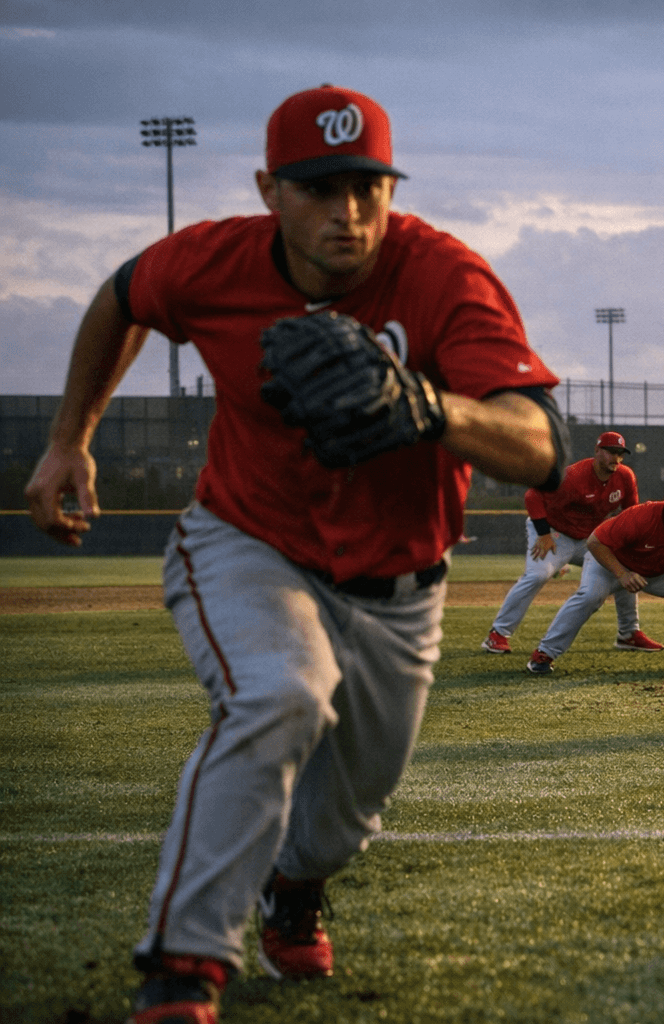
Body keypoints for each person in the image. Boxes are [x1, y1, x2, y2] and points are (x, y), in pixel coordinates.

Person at [23, 85, 568, 1024]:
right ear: (270, 189)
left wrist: (436, 409)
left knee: (344, 823)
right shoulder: (212, 262)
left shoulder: (443, 276)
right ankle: (183, 965)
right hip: (248, 541)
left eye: (366, 187)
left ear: (391, 191)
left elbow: (541, 442)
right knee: (279, 688)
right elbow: (120, 298)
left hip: (399, 587)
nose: (347, 213)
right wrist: (69, 437)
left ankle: (296, 883)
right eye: (319, 189)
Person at [525, 476, 664, 674]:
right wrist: (622, 574)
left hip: (657, 570)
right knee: (589, 598)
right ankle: (544, 654)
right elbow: (595, 541)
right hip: (609, 563)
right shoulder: (640, 517)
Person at [481, 431, 664, 655]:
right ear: (597, 451)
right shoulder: (574, 476)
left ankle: (629, 634)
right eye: (610, 452)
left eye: (619, 454)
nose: (615, 458)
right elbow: (533, 495)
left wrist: (630, 545)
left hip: (591, 539)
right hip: (554, 533)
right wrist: (543, 534)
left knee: (625, 565)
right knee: (537, 575)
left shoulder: (625, 476)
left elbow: (630, 513)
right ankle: (498, 634)